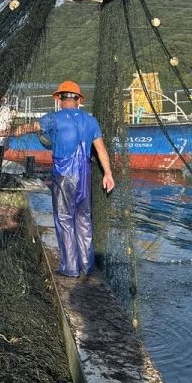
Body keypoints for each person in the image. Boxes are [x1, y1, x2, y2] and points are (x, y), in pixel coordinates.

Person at [40, 81, 115, 278]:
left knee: (64, 219)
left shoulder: (53, 118)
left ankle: (70, 268)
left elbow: (28, 128)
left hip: (64, 175)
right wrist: (108, 174)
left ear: (60, 99)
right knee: (84, 219)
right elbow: (101, 150)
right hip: (84, 175)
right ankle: (87, 266)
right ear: (79, 100)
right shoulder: (91, 121)